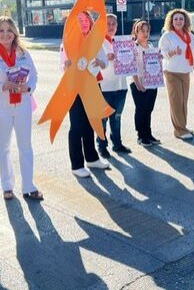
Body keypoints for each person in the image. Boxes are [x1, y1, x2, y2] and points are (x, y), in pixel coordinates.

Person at [0, 16, 43, 200]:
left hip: (22, 104)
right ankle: (7, 186)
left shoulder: (23, 53)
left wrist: (29, 87)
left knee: (26, 146)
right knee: (3, 147)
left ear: (15, 32)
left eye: (9, 30)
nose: (5, 34)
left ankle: (28, 186)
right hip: (0, 108)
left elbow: (34, 75)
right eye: (1, 30)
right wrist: (2, 86)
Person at [62, 11, 110, 178]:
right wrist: (68, 64)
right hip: (75, 89)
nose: (83, 22)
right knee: (76, 126)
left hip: (93, 86)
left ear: (91, 22)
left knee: (91, 123)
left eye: (86, 19)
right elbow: (63, 65)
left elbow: (105, 63)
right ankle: (76, 164)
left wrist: (100, 62)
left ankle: (92, 158)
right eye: (79, 20)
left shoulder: (97, 41)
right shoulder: (68, 42)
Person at [158, 9, 194, 139]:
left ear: (185, 21)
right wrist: (172, 52)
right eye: (175, 19)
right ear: (171, 21)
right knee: (176, 101)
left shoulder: (189, 35)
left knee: (183, 101)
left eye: (181, 19)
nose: (178, 21)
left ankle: (183, 126)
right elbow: (161, 53)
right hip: (172, 72)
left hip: (185, 72)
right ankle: (179, 130)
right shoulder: (167, 36)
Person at [96, 14, 132, 158]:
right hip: (105, 86)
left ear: (117, 26)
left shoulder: (122, 42)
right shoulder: (97, 43)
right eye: (108, 24)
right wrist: (106, 58)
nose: (110, 26)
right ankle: (102, 146)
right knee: (103, 119)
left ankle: (117, 144)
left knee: (117, 117)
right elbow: (94, 62)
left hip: (121, 85)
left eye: (113, 24)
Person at [129, 20, 160, 146]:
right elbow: (132, 67)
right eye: (142, 31)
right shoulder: (134, 47)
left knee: (149, 109)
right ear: (136, 32)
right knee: (141, 109)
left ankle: (148, 134)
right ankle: (141, 136)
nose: (145, 33)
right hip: (138, 83)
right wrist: (137, 83)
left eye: (147, 31)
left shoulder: (151, 46)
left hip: (151, 82)